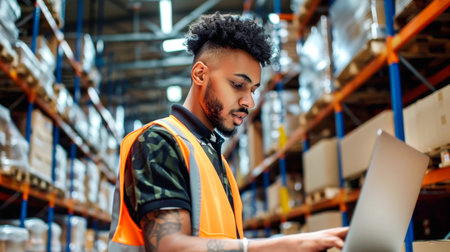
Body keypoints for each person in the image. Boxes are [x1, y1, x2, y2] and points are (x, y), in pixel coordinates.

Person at [109, 12, 348, 252]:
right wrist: (282, 245)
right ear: (200, 74)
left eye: (253, 90)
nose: (249, 102)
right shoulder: (158, 141)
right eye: (237, 85)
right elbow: (169, 246)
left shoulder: (216, 161)